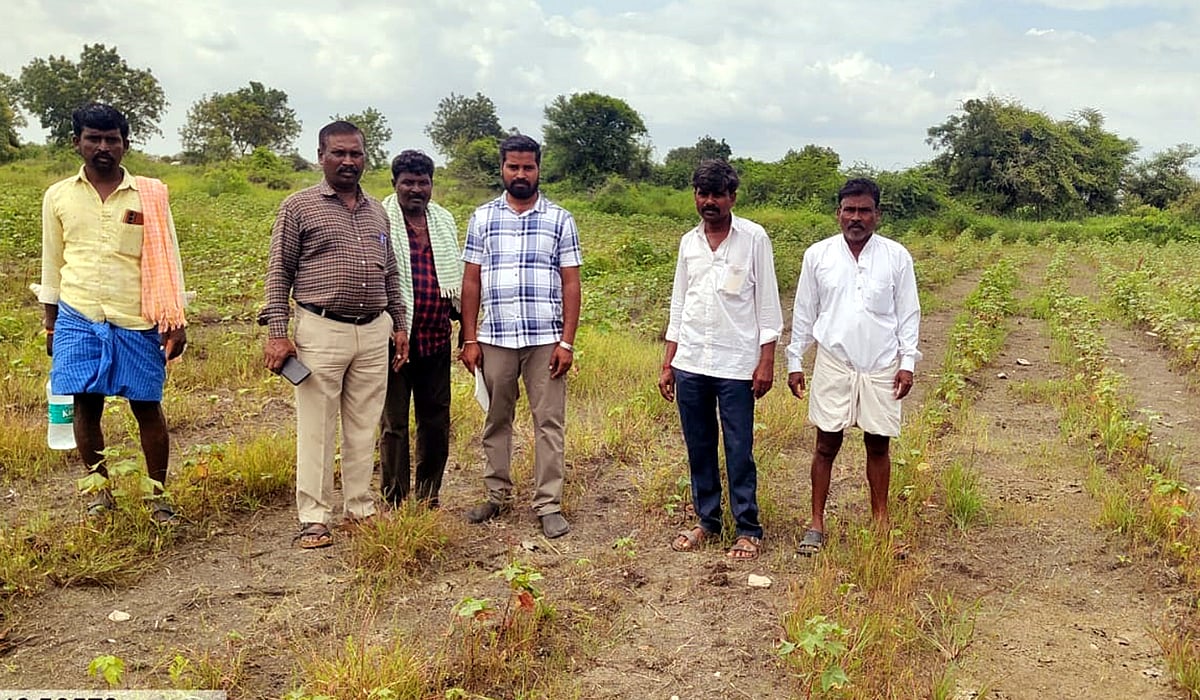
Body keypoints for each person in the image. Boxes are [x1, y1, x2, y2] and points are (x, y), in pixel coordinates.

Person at [260, 121, 409, 549]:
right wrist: (277, 333)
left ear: (366, 157)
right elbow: (278, 273)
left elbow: (391, 272)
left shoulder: (378, 210)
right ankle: (314, 516)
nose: (348, 161)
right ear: (320, 156)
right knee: (317, 426)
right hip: (320, 329)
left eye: (356, 154)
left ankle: (359, 507)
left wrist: (399, 325)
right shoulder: (299, 207)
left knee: (364, 426)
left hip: (372, 329)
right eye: (339, 154)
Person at [39, 103, 187, 524]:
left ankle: (157, 496)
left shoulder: (149, 195)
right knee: (86, 404)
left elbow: (168, 256)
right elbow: (52, 262)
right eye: (93, 138)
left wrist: (176, 319)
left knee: (147, 404)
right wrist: (50, 324)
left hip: (136, 316)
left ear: (125, 144)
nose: (103, 147)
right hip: (78, 312)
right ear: (77, 143)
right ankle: (98, 493)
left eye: (112, 139)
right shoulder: (59, 196)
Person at [786, 177, 921, 556]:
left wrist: (907, 362)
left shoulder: (897, 256)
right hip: (834, 360)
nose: (856, 217)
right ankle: (815, 523)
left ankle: (880, 522)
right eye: (849, 210)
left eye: (864, 210)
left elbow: (908, 314)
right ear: (838, 213)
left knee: (878, 444)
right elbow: (804, 311)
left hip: (881, 363)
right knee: (826, 442)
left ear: (878, 214)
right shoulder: (818, 256)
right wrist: (795, 359)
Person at [658, 160, 783, 561]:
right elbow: (679, 304)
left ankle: (748, 527)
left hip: (736, 365)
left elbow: (767, 306)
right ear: (694, 195)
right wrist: (668, 362)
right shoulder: (688, 243)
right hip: (691, 361)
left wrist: (766, 362)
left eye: (717, 194)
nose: (708, 202)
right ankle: (707, 520)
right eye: (702, 193)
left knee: (738, 447)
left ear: (732, 196)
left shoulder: (753, 239)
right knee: (699, 445)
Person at [459, 134, 581, 539]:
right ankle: (497, 495)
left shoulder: (560, 219)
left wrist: (566, 342)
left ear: (539, 169)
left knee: (549, 422)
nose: (521, 174)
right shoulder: (482, 218)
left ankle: (548, 504)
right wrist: (470, 337)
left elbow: (571, 284)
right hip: (494, 336)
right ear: (502, 169)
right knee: (496, 419)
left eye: (528, 167)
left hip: (544, 337)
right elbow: (471, 281)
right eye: (513, 166)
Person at [378, 150, 462, 509]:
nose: (416, 189)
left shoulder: (443, 222)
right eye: (408, 182)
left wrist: (464, 324)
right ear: (395, 183)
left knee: (436, 420)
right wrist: (396, 327)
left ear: (431, 185)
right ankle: (394, 498)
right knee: (393, 423)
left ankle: (429, 495)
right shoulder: (379, 219)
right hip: (393, 340)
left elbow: (456, 278)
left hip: (435, 337)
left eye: (423, 182)